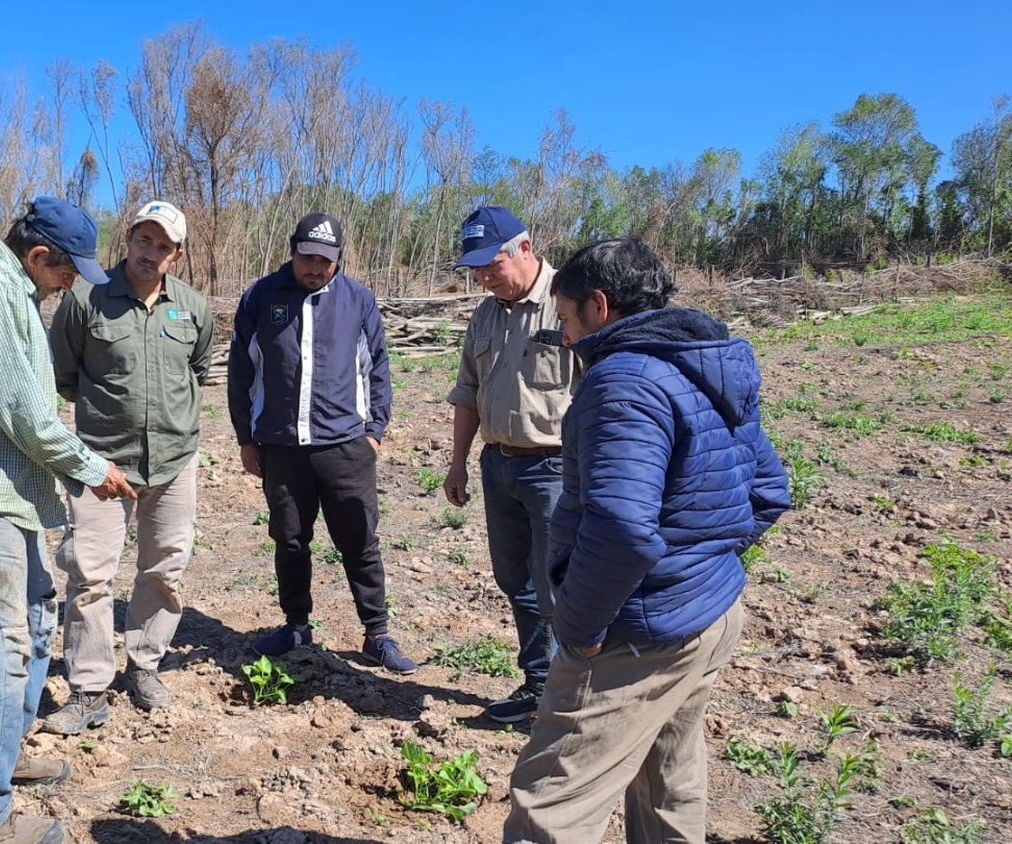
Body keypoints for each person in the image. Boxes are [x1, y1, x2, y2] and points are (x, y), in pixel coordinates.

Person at [504, 239, 791, 844]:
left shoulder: (622, 383)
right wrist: (705, 563)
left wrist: (580, 629)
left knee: (554, 804)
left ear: (599, 306)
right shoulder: (704, 364)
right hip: (709, 615)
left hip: (636, 632)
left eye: (565, 318)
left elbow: (620, 529)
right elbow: (768, 489)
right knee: (668, 780)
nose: (565, 337)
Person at [0, 197, 136, 844]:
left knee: (36, 625)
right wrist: (92, 469)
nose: (72, 285)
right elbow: (24, 413)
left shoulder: (12, 288)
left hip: (10, 492)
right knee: (2, 655)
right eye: (68, 272)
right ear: (40, 257)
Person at [42, 200, 214, 733]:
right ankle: (89, 688)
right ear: (129, 240)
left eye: (164, 247)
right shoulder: (87, 300)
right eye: (144, 241)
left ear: (177, 256)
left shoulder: (192, 308)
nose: (151, 253)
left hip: (174, 461)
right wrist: (97, 440)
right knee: (90, 577)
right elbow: (64, 374)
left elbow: (199, 370)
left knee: (164, 570)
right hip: (101, 465)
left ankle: (145, 666)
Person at [227, 211, 417, 675]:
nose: (316, 268)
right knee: (290, 540)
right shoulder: (261, 297)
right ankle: (296, 625)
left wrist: (374, 432)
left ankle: (377, 633)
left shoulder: (358, 301)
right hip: (282, 447)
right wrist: (246, 440)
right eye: (308, 258)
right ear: (292, 252)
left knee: (360, 540)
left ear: (339, 260)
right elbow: (241, 372)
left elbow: (378, 368)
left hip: (346, 446)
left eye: (326, 261)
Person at [443, 206, 576, 723]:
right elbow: (468, 391)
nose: (482, 277)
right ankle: (538, 685)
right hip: (498, 466)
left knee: (560, 587)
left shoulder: (569, 302)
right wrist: (457, 463)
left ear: (525, 249)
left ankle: (571, 700)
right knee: (516, 581)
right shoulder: (485, 313)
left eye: (489, 265)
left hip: (556, 470)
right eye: (474, 268)